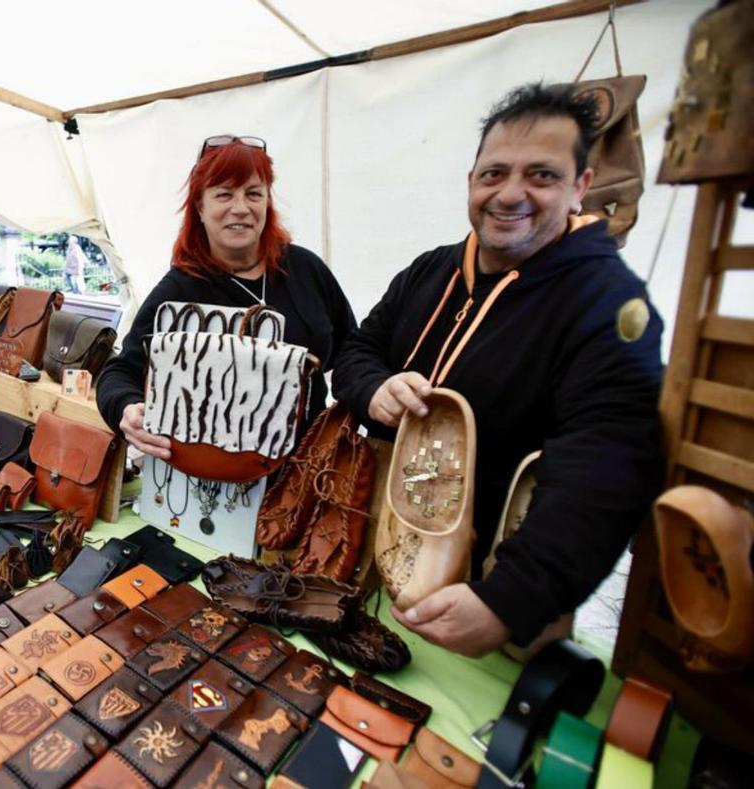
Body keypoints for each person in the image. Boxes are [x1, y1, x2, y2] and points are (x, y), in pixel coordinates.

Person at [333, 83, 664, 657]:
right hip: (377, 549)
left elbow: (608, 464)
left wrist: (513, 598)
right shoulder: (431, 270)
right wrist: (374, 388)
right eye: (494, 174)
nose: (511, 194)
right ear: (471, 182)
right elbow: (359, 348)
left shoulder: (608, 304)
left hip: (487, 599)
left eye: (541, 175)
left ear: (580, 187)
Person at [96, 135, 357, 457]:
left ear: (267, 203)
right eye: (223, 194)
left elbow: (352, 353)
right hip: (207, 479)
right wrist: (127, 408)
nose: (240, 208)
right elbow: (120, 371)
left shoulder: (306, 270)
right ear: (200, 208)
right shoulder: (180, 290)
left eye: (253, 194)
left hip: (305, 473)